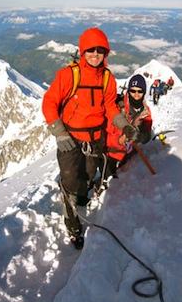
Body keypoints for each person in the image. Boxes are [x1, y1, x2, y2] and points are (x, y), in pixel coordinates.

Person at [42, 27, 137, 249]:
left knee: (87, 175)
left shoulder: (107, 78)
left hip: (95, 139)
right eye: (91, 50)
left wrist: (122, 124)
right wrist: (59, 132)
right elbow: (50, 102)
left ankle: (82, 200)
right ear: (83, 51)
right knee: (70, 182)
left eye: (100, 50)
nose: (95, 54)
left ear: (106, 53)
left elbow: (111, 107)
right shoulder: (69, 75)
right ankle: (73, 225)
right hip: (70, 141)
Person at [102, 74, 152, 182]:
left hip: (127, 156)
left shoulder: (145, 112)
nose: (136, 94)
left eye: (140, 91)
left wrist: (137, 135)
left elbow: (146, 136)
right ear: (128, 91)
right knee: (106, 184)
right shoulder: (116, 107)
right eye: (133, 91)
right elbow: (107, 131)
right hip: (109, 155)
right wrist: (120, 139)